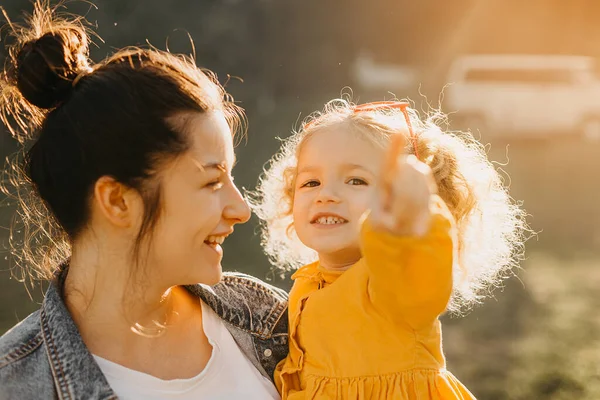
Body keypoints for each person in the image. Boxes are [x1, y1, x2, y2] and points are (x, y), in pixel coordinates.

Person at [0, 2, 288, 399]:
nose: (241, 209)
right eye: (211, 181)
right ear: (118, 201)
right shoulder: (14, 385)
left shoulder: (273, 320)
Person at [250, 99, 527, 399]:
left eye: (356, 180)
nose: (326, 194)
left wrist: (412, 220)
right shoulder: (306, 286)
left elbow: (420, 273)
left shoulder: (394, 279)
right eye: (311, 182)